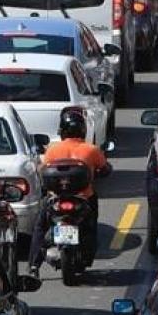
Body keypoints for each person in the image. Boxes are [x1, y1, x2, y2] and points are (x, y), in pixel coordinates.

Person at [28, 107, 110, 277]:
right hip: (84, 198)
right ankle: (87, 254)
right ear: (82, 129)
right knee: (91, 226)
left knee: (40, 228)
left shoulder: (52, 149)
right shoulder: (91, 150)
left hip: (55, 198)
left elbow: (42, 170)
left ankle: (34, 267)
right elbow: (105, 168)